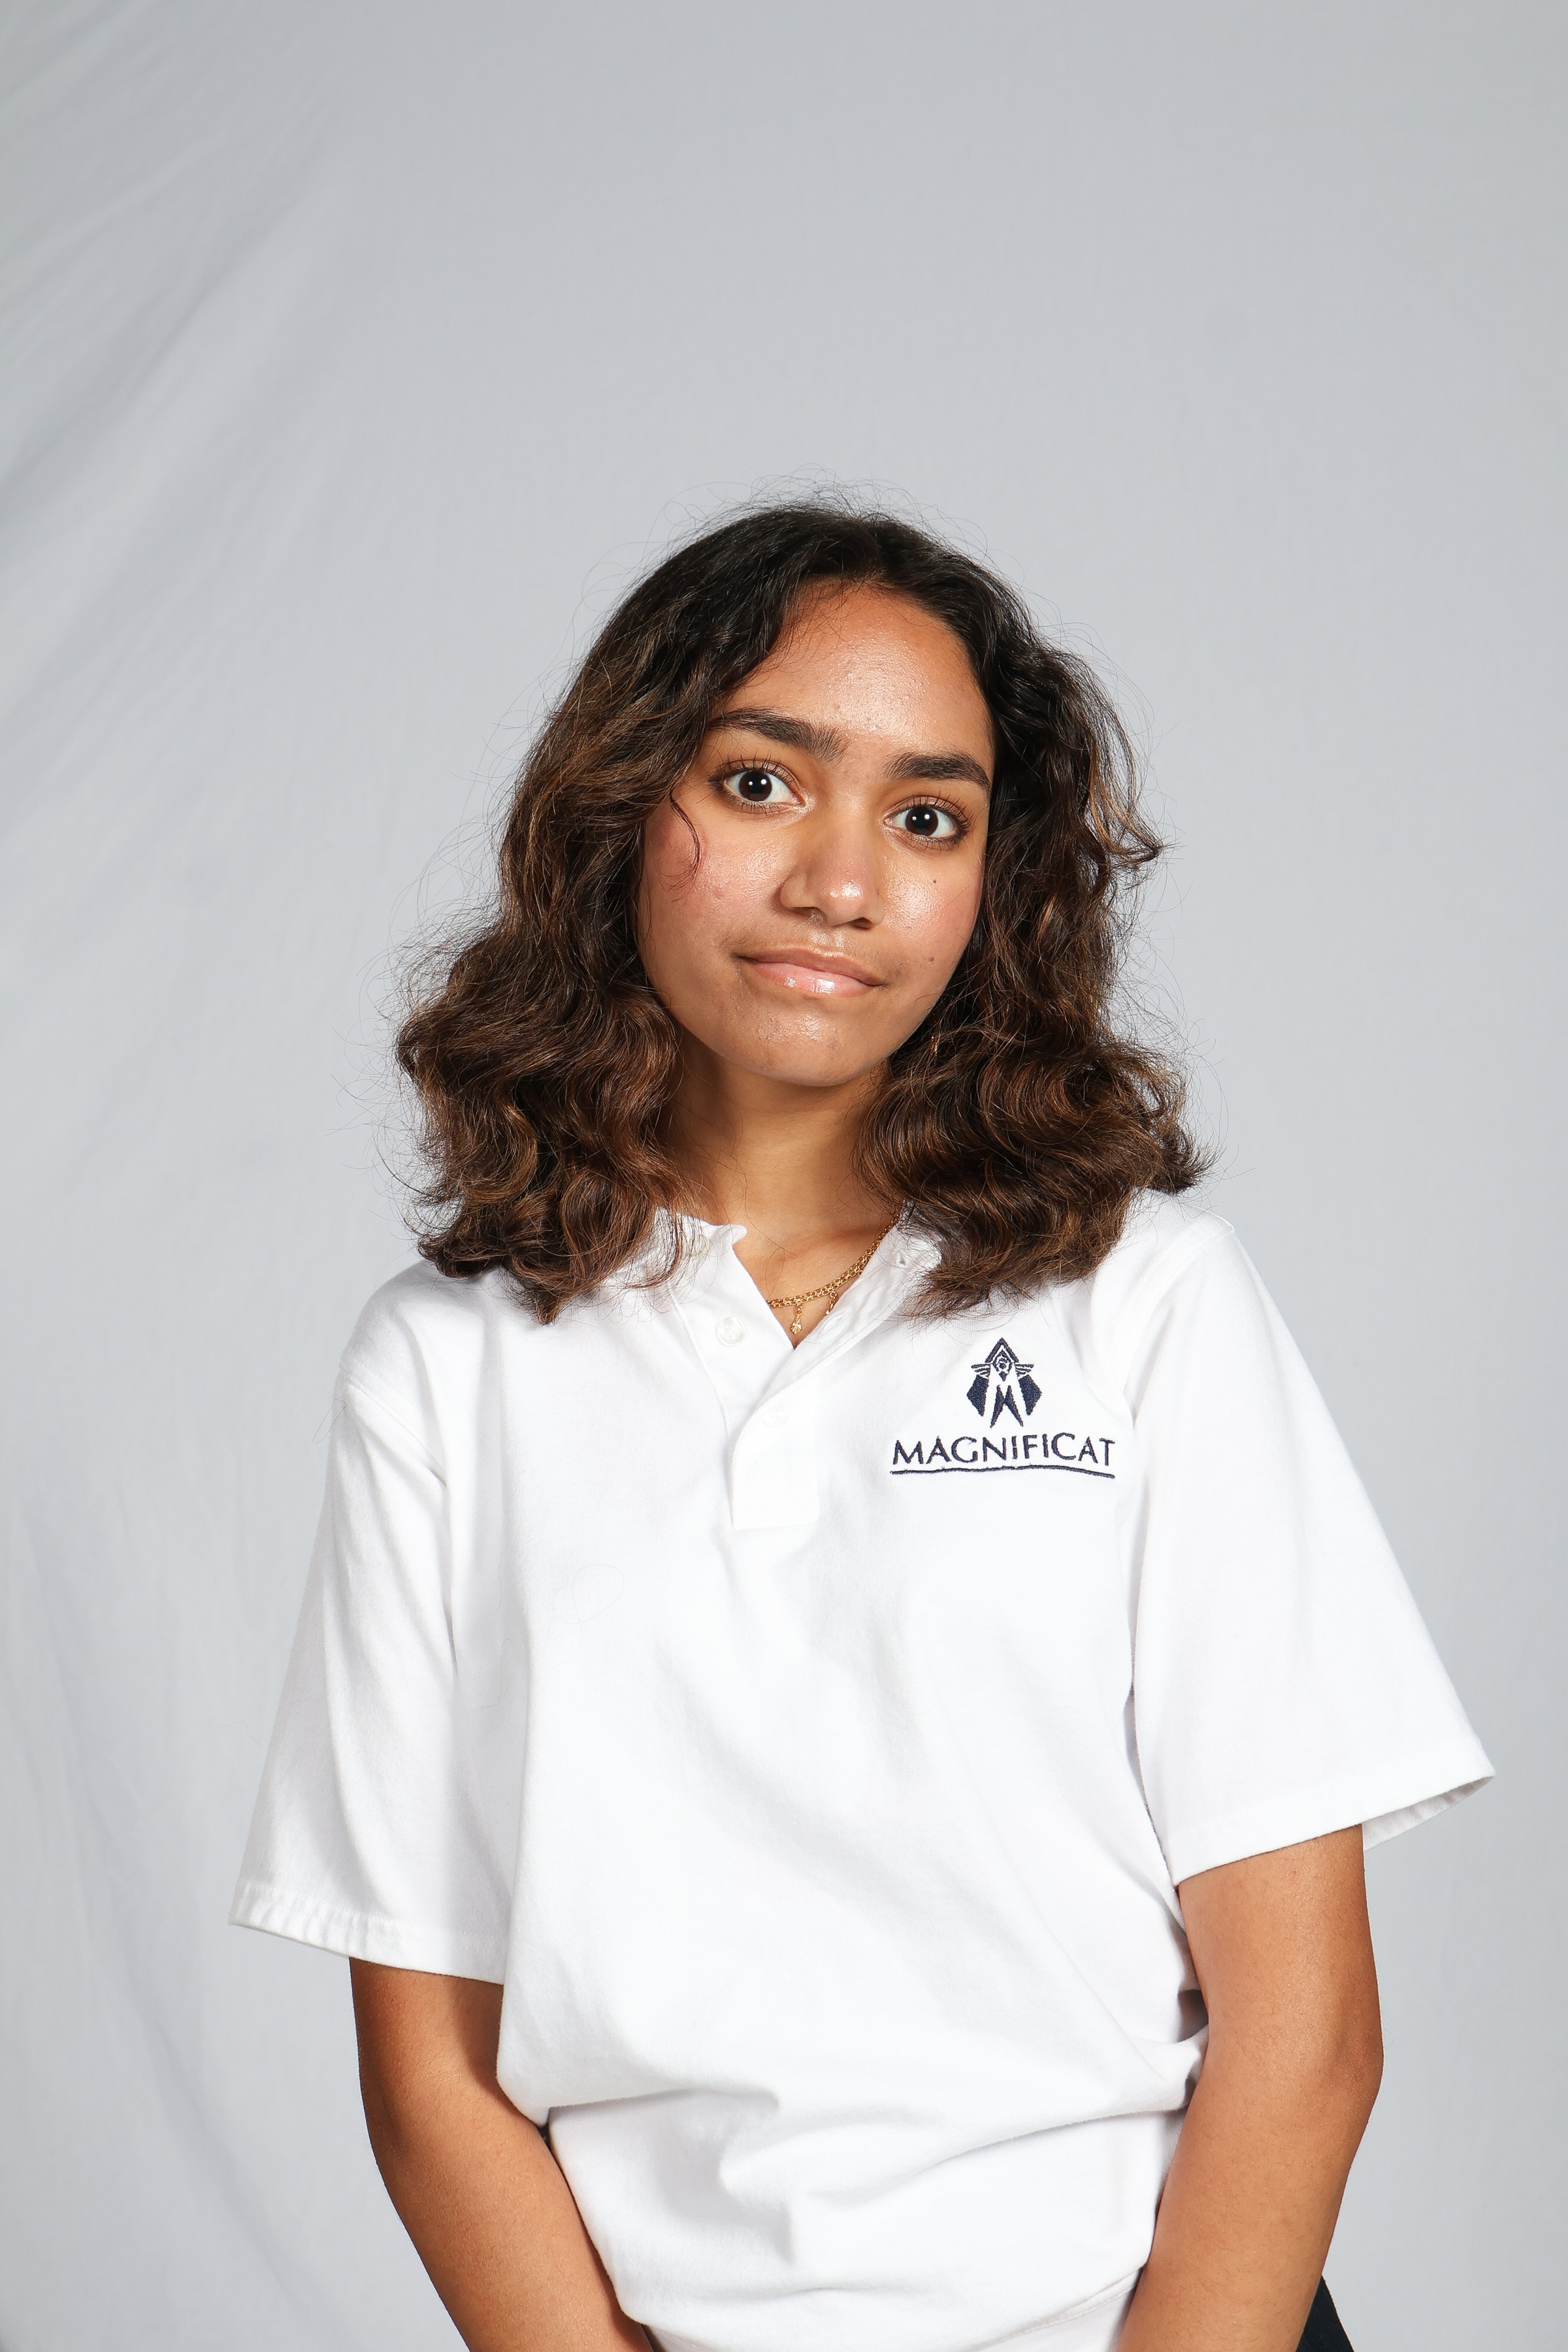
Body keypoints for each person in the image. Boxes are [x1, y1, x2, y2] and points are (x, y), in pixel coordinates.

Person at [232, 504, 1491, 2352]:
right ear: (617, 813)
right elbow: (432, 2069)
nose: (843, 881)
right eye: (760, 784)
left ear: (996, 883)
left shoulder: (1147, 1302)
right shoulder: (446, 1366)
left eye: (928, 818)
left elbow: (1307, 2040)